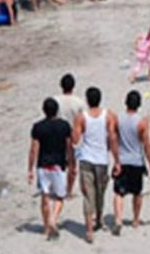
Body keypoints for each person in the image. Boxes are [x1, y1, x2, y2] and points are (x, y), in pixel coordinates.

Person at [72, 86, 117, 243]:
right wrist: (117, 159)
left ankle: (89, 230)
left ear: (87, 100)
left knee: (87, 195)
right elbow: (112, 137)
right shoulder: (109, 115)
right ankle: (99, 219)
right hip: (102, 159)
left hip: (86, 159)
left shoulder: (81, 117)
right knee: (100, 192)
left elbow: (76, 140)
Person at [111, 90, 150, 234]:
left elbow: (113, 139)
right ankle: (136, 219)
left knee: (119, 193)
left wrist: (115, 159)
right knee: (137, 193)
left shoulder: (118, 119)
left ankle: (118, 219)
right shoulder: (142, 122)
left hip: (122, 160)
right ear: (139, 105)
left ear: (126, 102)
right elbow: (147, 145)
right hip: (136, 161)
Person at [28, 99, 73, 241]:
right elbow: (69, 146)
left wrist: (30, 169)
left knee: (45, 196)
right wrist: (72, 162)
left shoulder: (38, 127)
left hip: (43, 165)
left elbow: (34, 150)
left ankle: (46, 227)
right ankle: (53, 220)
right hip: (58, 165)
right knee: (59, 197)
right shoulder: (64, 126)